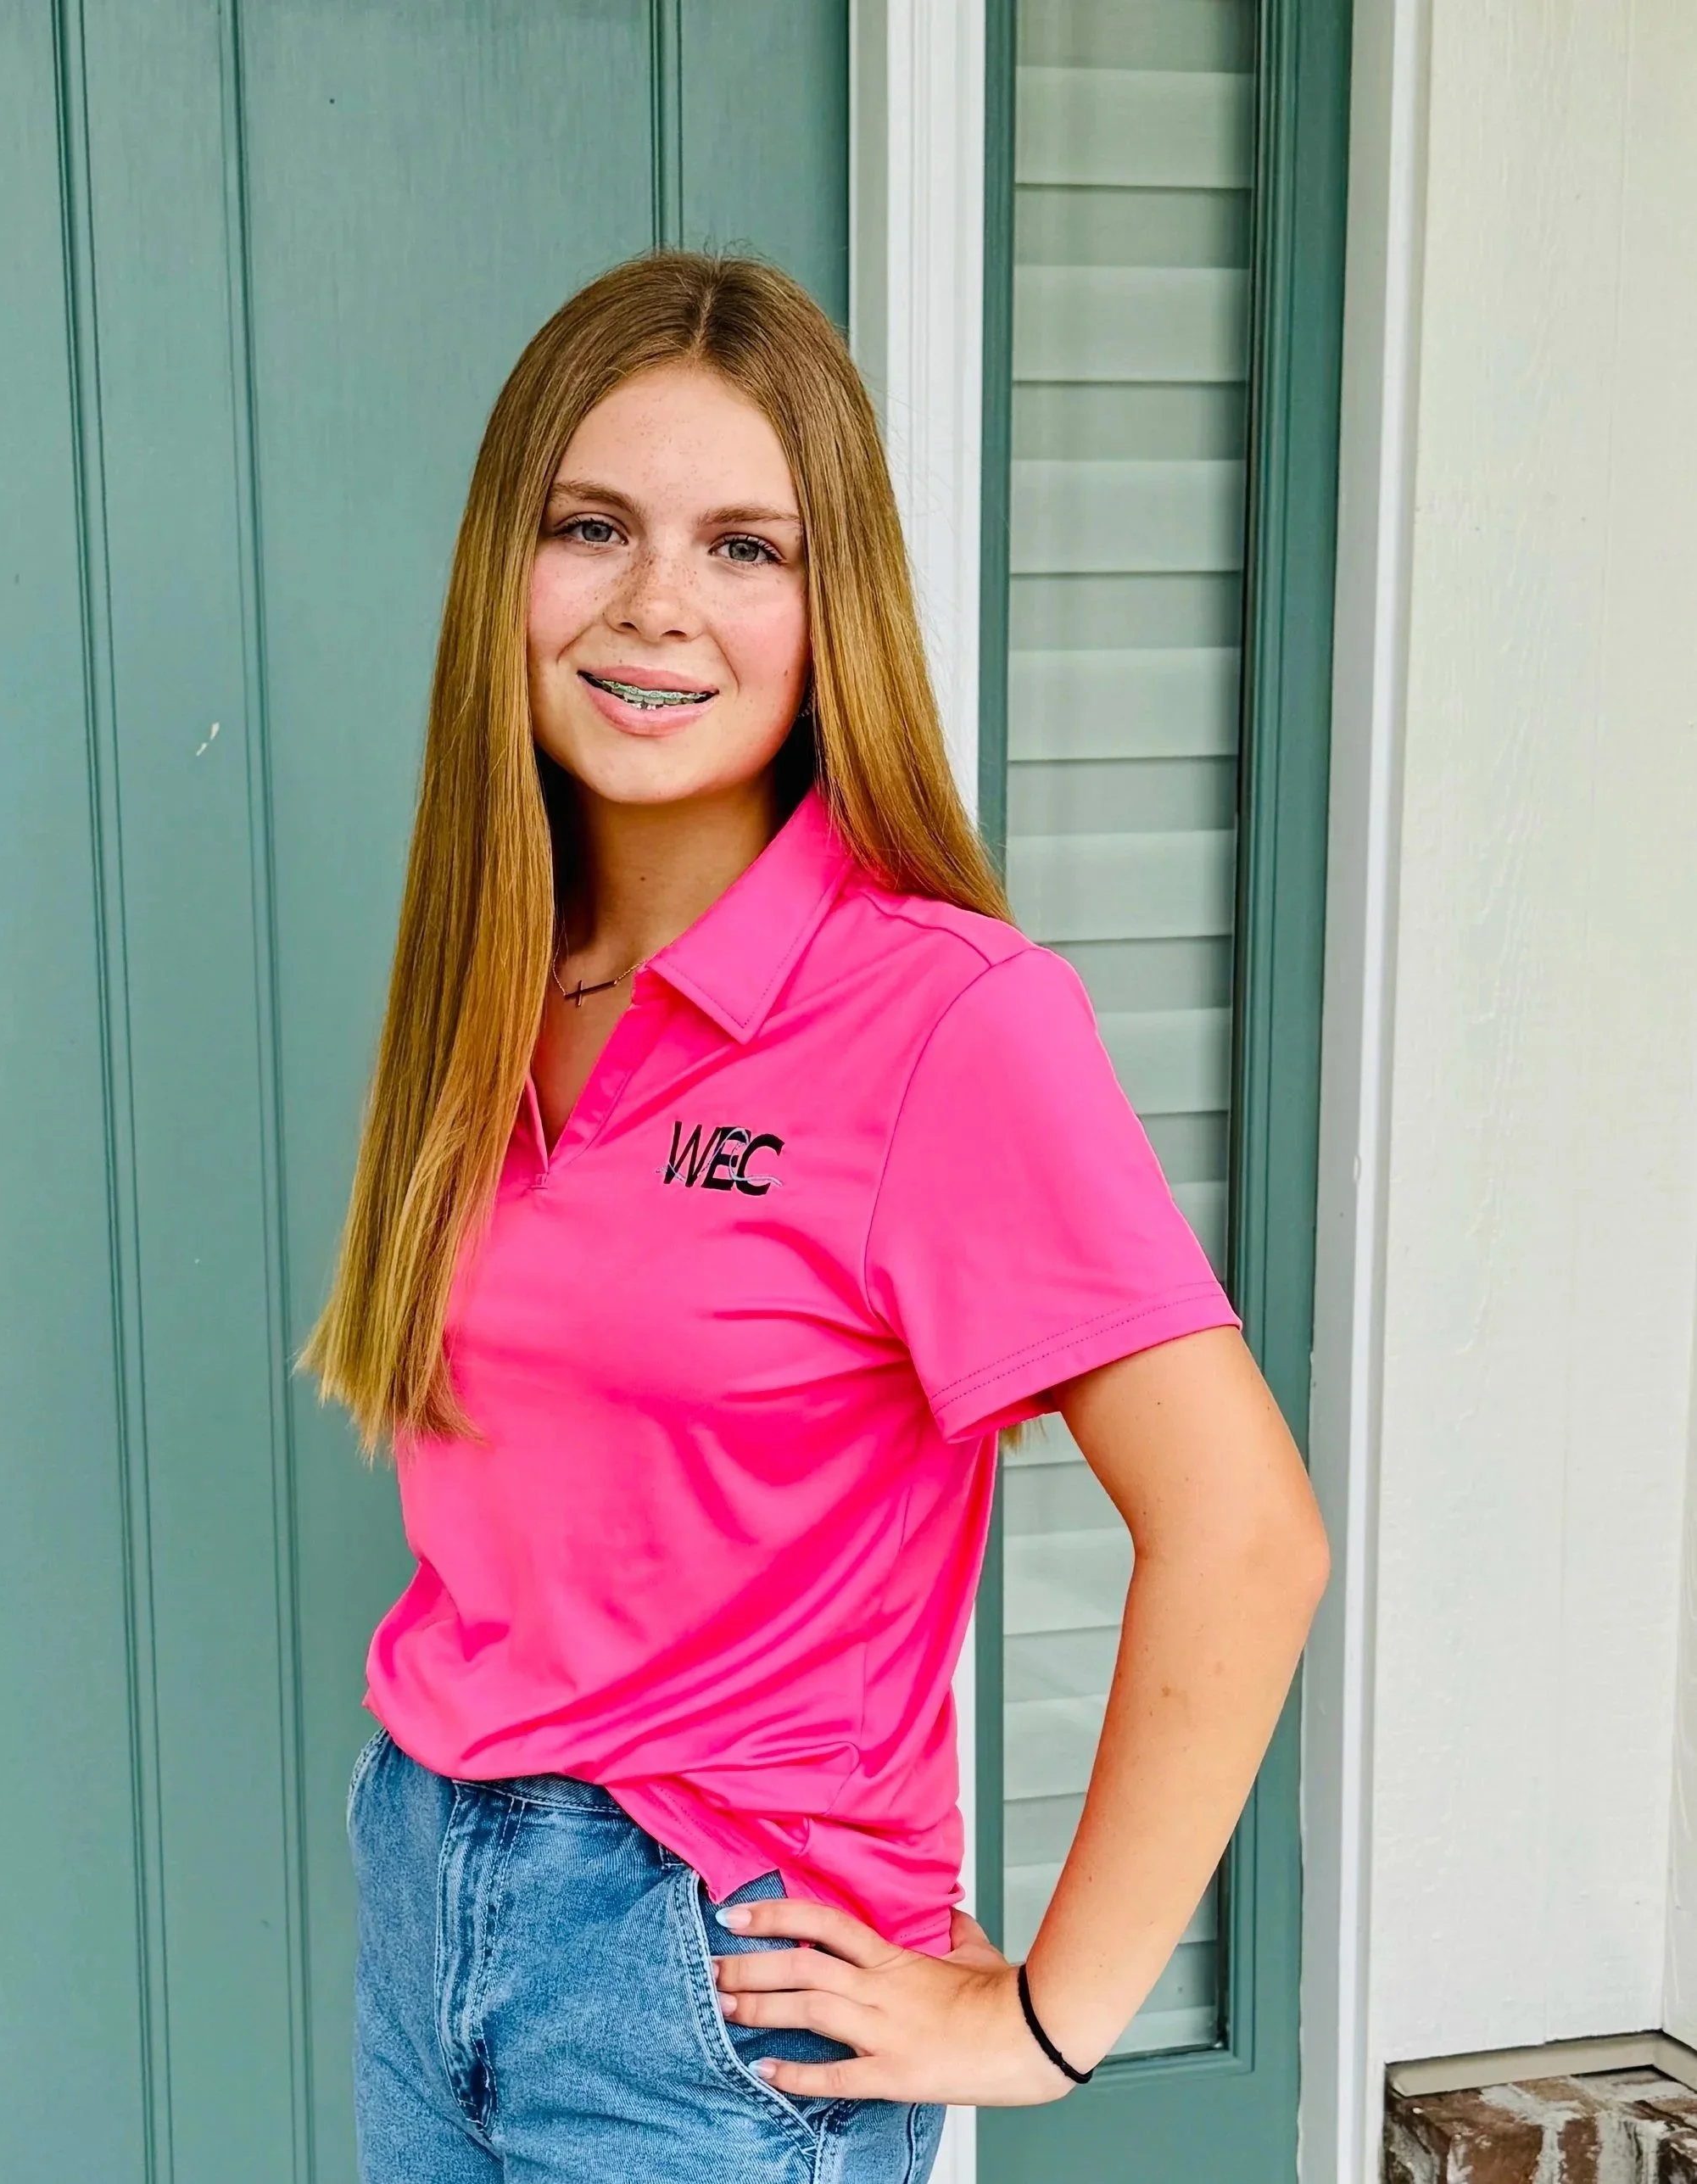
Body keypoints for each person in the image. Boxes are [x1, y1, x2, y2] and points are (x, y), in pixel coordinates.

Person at [304, 251, 1328, 2181]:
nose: (652, 604)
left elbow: (1245, 1529)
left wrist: (1045, 2016)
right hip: (430, 1872)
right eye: (589, 525)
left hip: (705, 1969)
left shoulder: (945, 1018)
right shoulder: (498, 972)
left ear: (827, 602)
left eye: (744, 547)